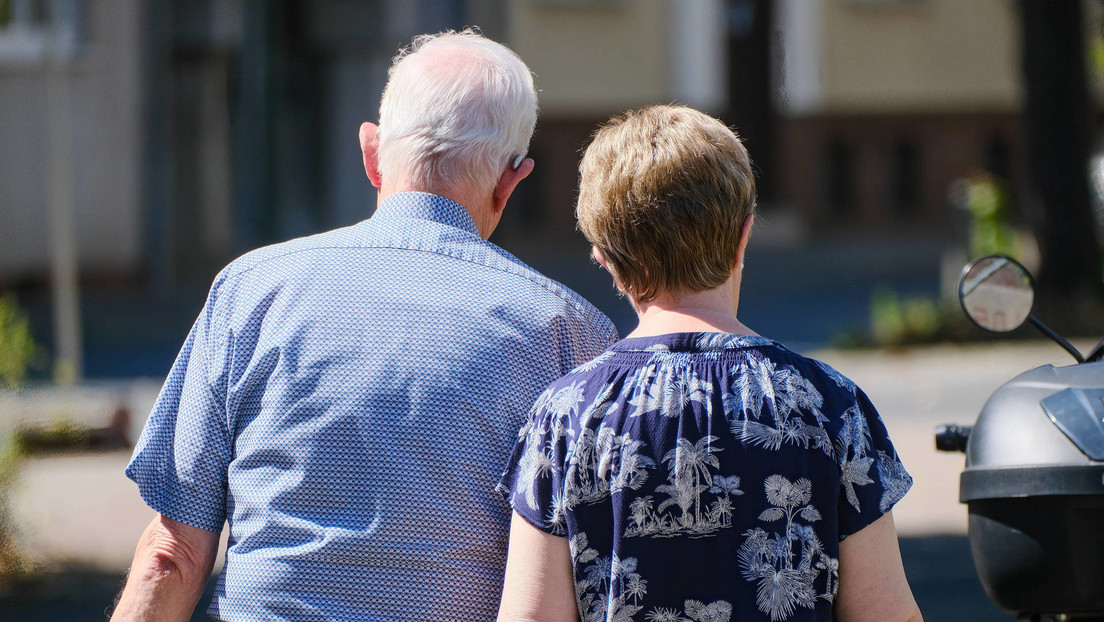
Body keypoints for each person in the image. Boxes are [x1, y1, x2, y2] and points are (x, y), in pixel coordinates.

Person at [112, 29, 617, 621]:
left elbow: (173, 556)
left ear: (372, 154)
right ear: (511, 180)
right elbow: (582, 576)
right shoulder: (568, 332)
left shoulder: (252, 291)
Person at [496, 105, 922, 622]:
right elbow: (886, 612)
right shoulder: (830, 405)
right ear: (744, 237)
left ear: (604, 257)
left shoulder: (565, 417)